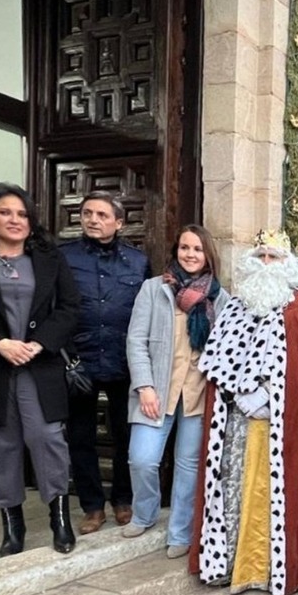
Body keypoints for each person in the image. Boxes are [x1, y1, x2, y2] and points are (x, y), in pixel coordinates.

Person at [192, 230, 298, 595]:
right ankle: (232, 562)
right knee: (233, 485)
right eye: (262, 256)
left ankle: (269, 568)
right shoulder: (235, 306)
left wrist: (271, 398)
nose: (267, 264)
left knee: (269, 489)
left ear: (289, 265)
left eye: (275, 258)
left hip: (278, 426)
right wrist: (237, 393)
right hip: (236, 420)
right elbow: (219, 360)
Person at [0, 182, 80, 555]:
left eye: (22, 214)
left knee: (47, 438)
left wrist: (40, 342)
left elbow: (70, 307)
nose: (14, 219)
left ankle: (59, 517)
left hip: (38, 364)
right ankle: (12, 525)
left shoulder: (49, 257)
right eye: (5, 212)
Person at [123, 225, 227, 558]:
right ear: (176, 251)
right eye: (185, 247)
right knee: (142, 459)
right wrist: (145, 386)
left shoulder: (220, 297)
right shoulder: (154, 289)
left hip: (198, 393)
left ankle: (180, 532)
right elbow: (136, 340)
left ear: (208, 254)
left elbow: (227, 349)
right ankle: (145, 513)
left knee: (188, 466)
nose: (190, 254)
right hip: (156, 391)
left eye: (197, 249)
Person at [61, 191, 150, 534]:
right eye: (87, 214)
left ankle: (123, 499)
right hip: (78, 362)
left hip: (123, 360)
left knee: (126, 433)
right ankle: (92, 506)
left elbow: (148, 310)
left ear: (119, 222)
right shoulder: (63, 257)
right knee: (80, 436)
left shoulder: (138, 262)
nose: (93, 220)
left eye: (101, 214)